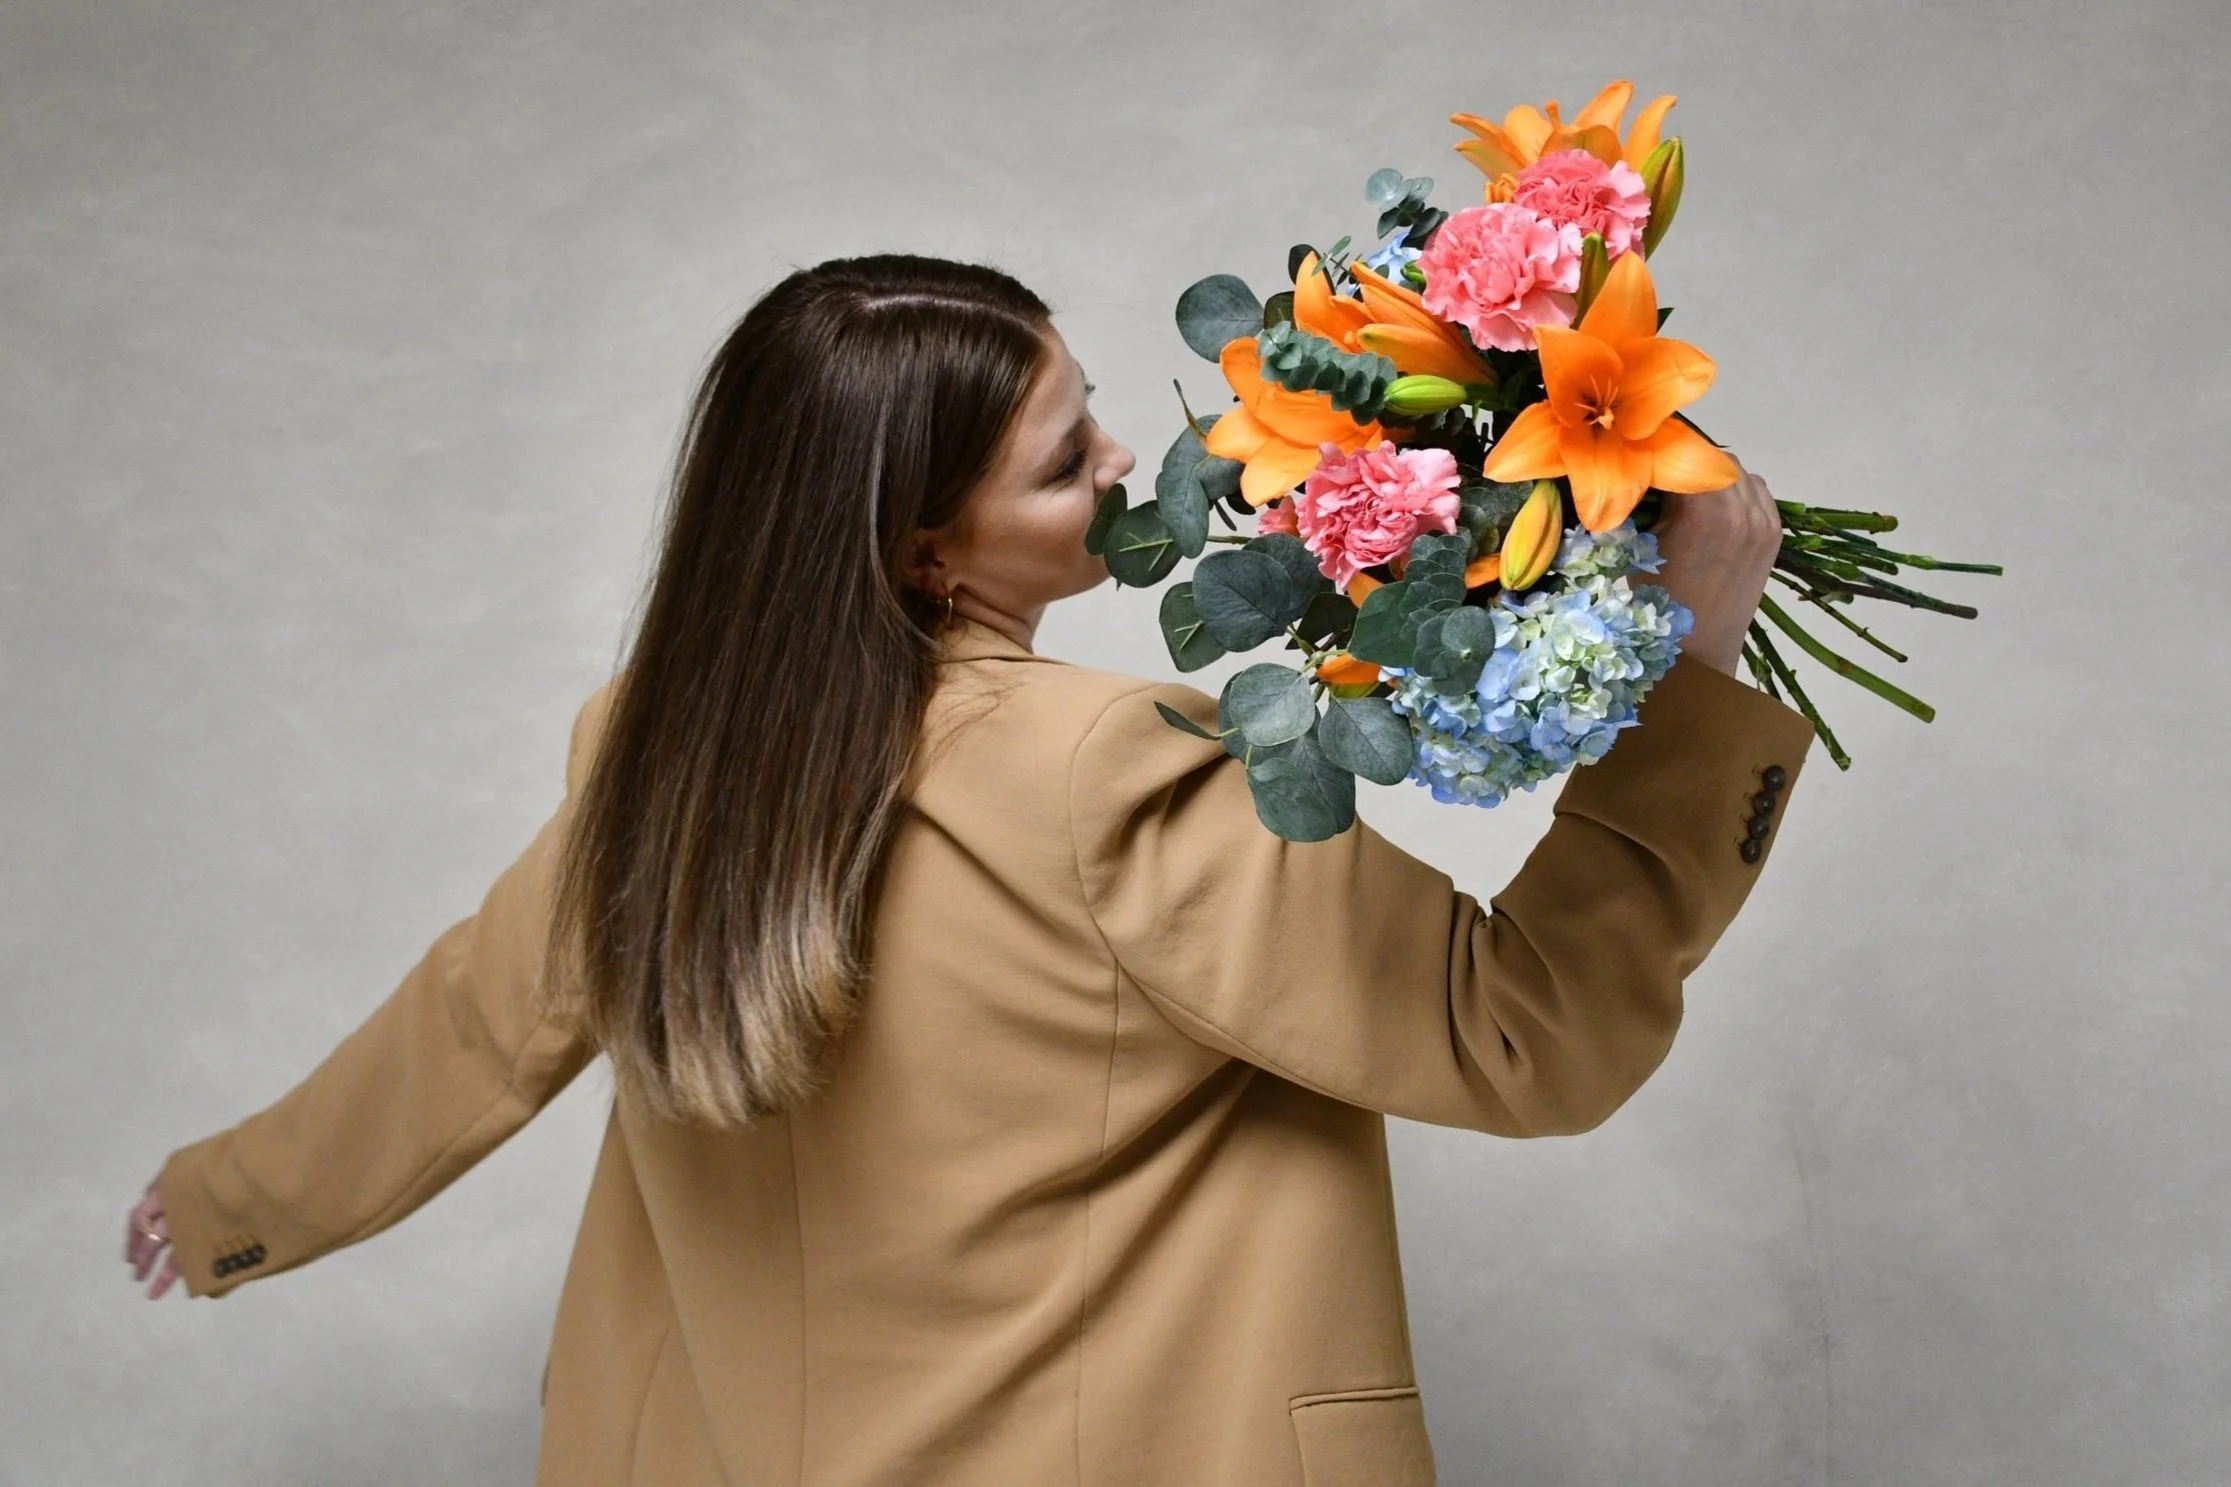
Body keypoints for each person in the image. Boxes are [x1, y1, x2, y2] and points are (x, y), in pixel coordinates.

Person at [122, 252, 1811, 1486]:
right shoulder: (1111, 769)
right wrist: (1700, 671)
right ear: (927, 546)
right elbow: (1521, 1031)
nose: (1124, 473)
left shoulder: (665, 742)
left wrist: (227, 1201)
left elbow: (472, 1030)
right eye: (1067, 456)